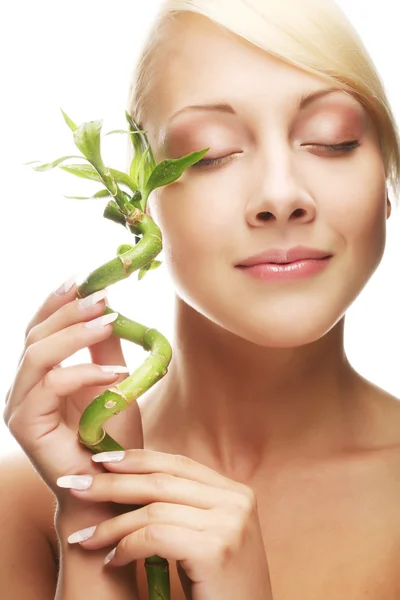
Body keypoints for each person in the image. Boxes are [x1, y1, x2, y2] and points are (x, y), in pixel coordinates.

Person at [2, 0, 400, 598]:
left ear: (386, 181)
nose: (280, 194)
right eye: (210, 152)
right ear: (142, 196)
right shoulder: (31, 502)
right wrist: (91, 531)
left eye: (331, 140)